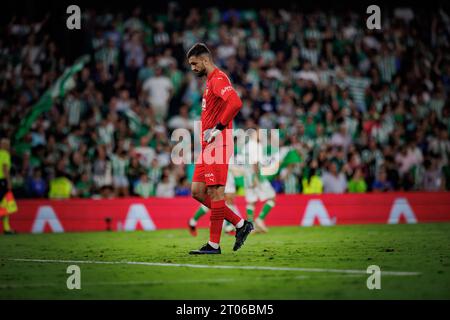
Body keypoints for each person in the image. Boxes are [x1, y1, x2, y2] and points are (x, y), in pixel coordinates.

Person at [187, 43, 253, 254]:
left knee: (216, 193)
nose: (192, 68)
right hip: (208, 146)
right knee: (197, 191)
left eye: (194, 64)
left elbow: (235, 102)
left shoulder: (218, 79)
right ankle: (241, 224)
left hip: (219, 143)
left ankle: (213, 245)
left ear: (205, 60)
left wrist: (218, 128)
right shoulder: (209, 82)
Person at [0, 138, 16, 234]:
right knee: (5, 205)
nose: (9, 146)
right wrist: (9, 182)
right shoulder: (5, 154)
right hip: (2, 182)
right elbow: (5, 169)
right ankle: (6, 228)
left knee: (4, 205)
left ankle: (7, 228)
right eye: (7, 144)